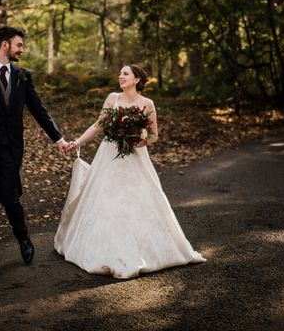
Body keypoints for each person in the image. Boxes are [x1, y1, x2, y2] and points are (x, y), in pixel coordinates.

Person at [55, 65, 205, 279]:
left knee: (141, 199)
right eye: (120, 74)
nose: (121, 77)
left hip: (135, 157)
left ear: (136, 79)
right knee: (105, 199)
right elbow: (99, 125)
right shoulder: (112, 98)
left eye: (125, 74)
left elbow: (153, 136)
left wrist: (136, 140)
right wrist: (76, 142)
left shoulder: (147, 104)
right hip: (108, 156)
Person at [0, 26, 68, 277]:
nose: (21, 49)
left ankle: (23, 238)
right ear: (5, 45)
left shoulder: (22, 75)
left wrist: (58, 138)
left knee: (9, 198)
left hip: (11, 148)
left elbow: (38, 109)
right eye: (19, 44)